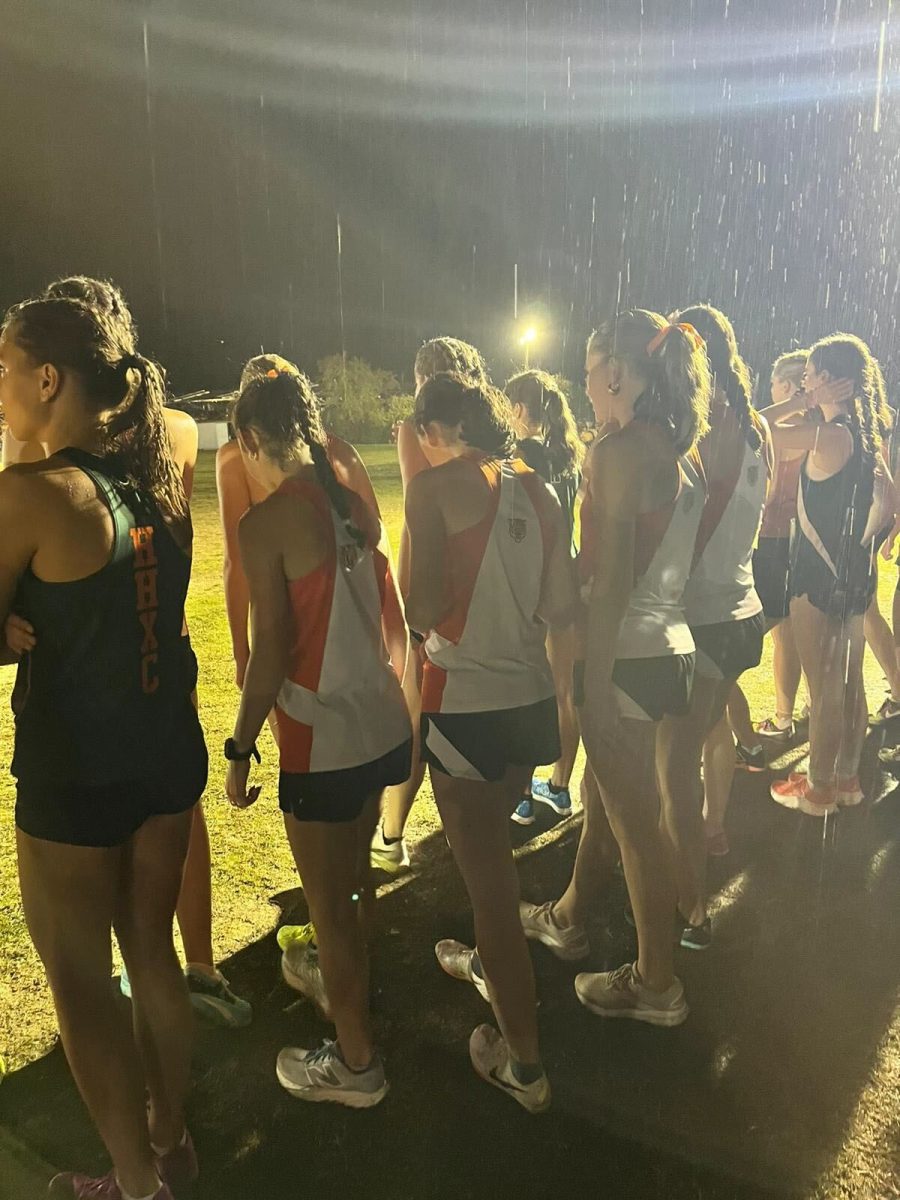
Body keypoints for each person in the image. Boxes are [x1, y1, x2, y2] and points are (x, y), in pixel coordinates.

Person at [1, 275, 250, 1027]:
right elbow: (175, 544)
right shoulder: (164, 433)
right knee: (154, 928)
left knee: (83, 968)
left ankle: (136, 1143)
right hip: (159, 665)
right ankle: (195, 975)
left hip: (88, 698)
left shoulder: (55, 470)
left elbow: (45, 517)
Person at [0, 296, 206, 1200]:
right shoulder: (165, 460)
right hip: (165, 751)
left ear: (48, 379)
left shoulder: (33, 495)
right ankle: (172, 1138)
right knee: (152, 954)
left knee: (83, 984)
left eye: (5, 368)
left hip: (76, 772)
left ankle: (135, 1183)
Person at [224, 362, 411, 1108]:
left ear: (247, 437)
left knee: (328, 908)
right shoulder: (350, 502)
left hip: (322, 742)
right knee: (354, 885)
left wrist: (239, 748)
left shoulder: (268, 521)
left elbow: (270, 650)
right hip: (379, 728)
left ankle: (357, 1064)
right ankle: (355, 1005)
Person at [519, 310, 711, 1026]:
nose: (585, 389)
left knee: (636, 831)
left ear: (619, 374)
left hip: (625, 657)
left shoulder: (621, 452)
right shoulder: (674, 449)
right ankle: (568, 919)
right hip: (670, 650)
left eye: (592, 374)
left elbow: (616, 580)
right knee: (612, 809)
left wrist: (592, 686)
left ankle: (656, 983)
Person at [403, 372, 576, 1112]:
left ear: (435, 432)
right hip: (532, 703)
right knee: (494, 871)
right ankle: (487, 960)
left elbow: (419, 607)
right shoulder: (541, 486)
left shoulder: (435, 488)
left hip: (466, 703)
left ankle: (525, 1066)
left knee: (492, 891)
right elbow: (562, 603)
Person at [656, 305, 770, 950]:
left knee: (673, 767)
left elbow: (700, 525)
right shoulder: (756, 424)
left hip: (701, 616)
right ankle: (714, 831)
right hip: (740, 609)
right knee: (711, 735)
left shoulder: (713, 422)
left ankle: (693, 912)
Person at [371, 336, 491, 870]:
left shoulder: (415, 430)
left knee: (414, 713)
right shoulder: (487, 426)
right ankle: (478, 816)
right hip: (484, 575)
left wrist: (406, 603)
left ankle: (392, 834)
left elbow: (422, 514)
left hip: (431, 579)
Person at [770, 334, 892, 815]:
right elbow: (891, 502)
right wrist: (864, 543)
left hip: (815, 578)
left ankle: (818, 789)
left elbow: (755, 430)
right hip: (853, 575)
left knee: (824, 689)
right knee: (849, 681)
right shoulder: (864, 437)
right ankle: (845, 779)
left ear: (831, 381)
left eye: (811, 375)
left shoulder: (828, 435)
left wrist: (799, 404)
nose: (804, 382)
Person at [504, 370, 584, 826]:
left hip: (534, 580)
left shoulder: (522, 456)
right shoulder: (568, 453)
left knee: (531, 688)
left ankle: (521, 793)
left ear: (517, 410)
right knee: (564, 690)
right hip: (567, 575)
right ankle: (558, 785)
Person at [726, 350, 808, 778]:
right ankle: (783, 716)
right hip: (792, 545)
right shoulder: (812, 429)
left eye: (788, 383)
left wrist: (796, 402)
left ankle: (753, 739)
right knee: (788, 634)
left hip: (775, 545)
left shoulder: (791, 428)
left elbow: (757, 418)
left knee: (732, 653)